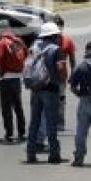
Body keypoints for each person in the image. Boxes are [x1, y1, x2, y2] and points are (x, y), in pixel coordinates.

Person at [25, 22, 68, 164]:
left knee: (34, 122)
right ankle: (54, 155)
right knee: (51, 123)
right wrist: (62, 83)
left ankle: (31, 154)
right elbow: (61, 69)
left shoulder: (34, 48)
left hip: (35, 89)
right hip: (50, 90)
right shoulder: (56, 50)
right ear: (54, 36)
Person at [0, 20, 27, 143]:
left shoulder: (1, 43)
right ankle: (22, 133)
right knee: (18, 106)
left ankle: (9, 134)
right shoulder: (18, 41)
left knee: (6, 108)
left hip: (6, 78)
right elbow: (25, 55)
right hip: (17, 78)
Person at [54, 16, 76, 131]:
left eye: (60, 25)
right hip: (47, 77)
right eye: (56, 25)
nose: (58, 27)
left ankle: (60, 122)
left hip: (62, 76)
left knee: (61, 100)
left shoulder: (68, 41)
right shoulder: (45, 40)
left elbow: (72, 59)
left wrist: (73, 74)